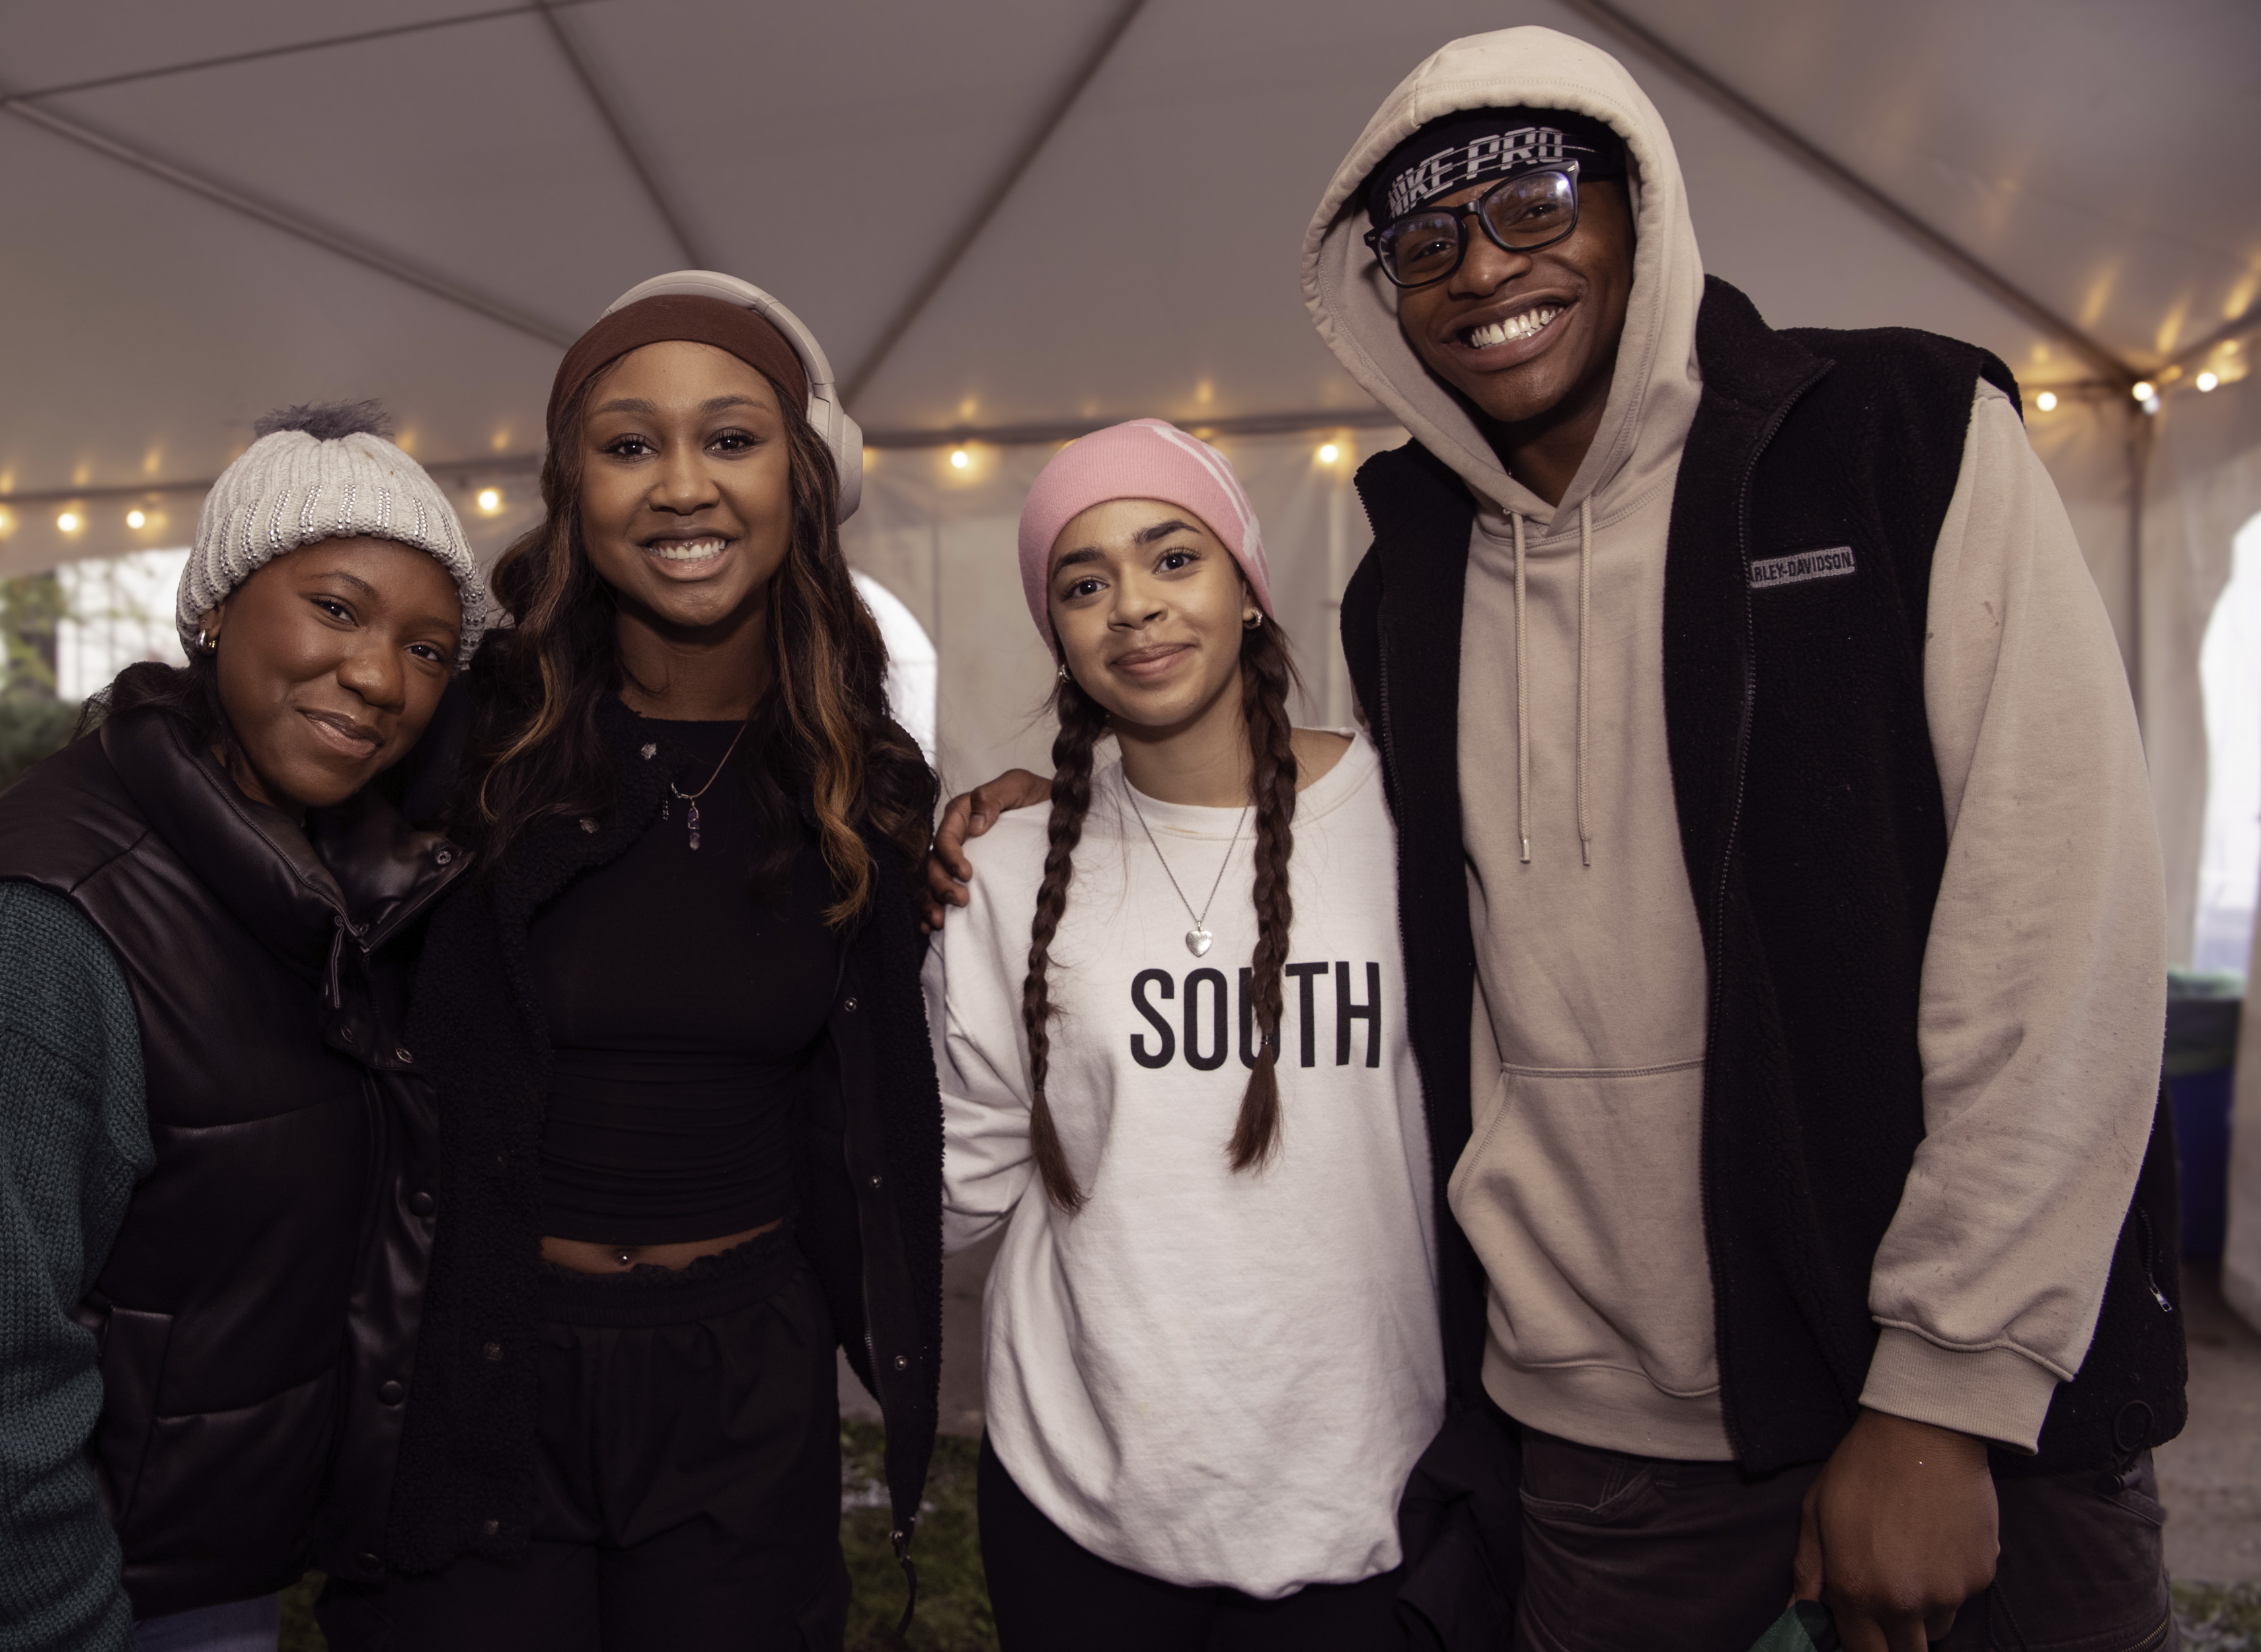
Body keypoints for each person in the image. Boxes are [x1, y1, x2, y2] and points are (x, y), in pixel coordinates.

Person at [932, 26, 2179, 1652]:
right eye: (1428, 240)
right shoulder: (1415, 579)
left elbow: (2059, 930)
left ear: (1637, 204)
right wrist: (1027, 820)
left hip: (1950, 1396)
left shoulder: (1896, 438)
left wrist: (1949, 1386)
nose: (1485, 267)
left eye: (1530, 200)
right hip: (1596, 1430)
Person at [0, 401, 491, 1652]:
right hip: (6, 1605)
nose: (383, 678)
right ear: (214, 607)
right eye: (336, 608)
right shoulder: (40, 940)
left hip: (180, 1569)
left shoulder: (294, 885)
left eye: (431, 650)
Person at [315, 273, 942, 1652]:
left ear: (801, 478)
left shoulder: (862, 778)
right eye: (626, 444)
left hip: (741, 1383)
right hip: (477, 1362)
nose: (681, 486)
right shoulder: (464, 741)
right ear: (571, 488)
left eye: (730, 438)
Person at [929, 420, 1442, 1651]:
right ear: (1057, 634)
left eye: (1172, 559)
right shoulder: (1003, 868)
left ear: (1250, 589)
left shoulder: (1412, 815)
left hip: (1376, 1492)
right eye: (1084, 582)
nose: (1133, 610)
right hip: (1087, 1504)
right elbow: (956, 1185)